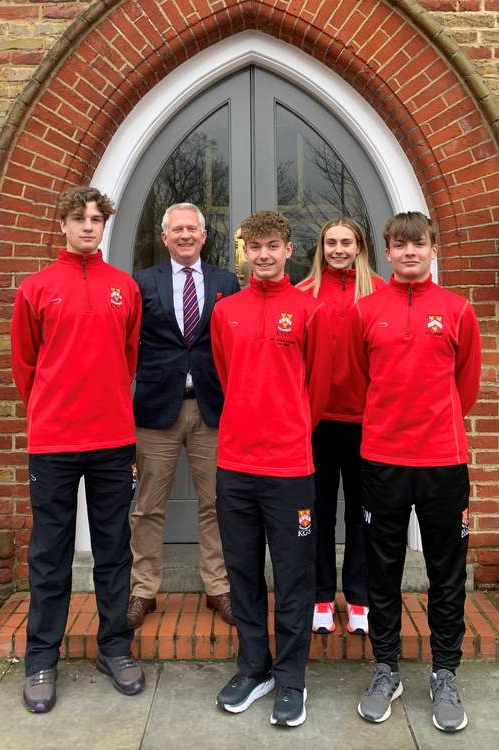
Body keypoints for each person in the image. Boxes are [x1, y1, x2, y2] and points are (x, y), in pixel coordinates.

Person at [11, 186, 144, 713]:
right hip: (54, 443)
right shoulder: (36, 288)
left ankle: (115, 647)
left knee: (114, 552)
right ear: (62, 226)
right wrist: (53, 408)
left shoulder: (124, 288)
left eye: (95, 219)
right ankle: (42, 658)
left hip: (113, 442)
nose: (88, 227)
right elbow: (26, 366)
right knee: (50, 556)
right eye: (78, 218)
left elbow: (128, 358)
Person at [349, 211, 481, 733]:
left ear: (432, 249)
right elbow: (362, 380)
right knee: (382, 571)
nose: (408, 253)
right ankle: (386, 667)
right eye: (399, 245)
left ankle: (444, 672)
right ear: (386, 250)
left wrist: (438, 425)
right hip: (382, 460)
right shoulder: (366, 311)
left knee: (446, 573)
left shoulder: (457, 310)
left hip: (443, 462)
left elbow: (465, 384)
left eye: (418, 244)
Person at [211, 210, 331, 728]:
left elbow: (319, 387)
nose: (263, 255)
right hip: (235, 463)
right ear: (245, 252)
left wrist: (291, 427)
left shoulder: (310, 310)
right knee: (241, 572)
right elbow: (224, 374)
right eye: (253, 246)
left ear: (289, 249)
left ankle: (291, 678)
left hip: (289, 467)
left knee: (293, 576)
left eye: (272, 246)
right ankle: (253, 668)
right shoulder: (225, 312)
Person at [127, 203, 241, 628]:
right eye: (177, 230)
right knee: (148, 505)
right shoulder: (143, 282)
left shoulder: (225, 281)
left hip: (212, 408)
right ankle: (143, 590)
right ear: (165, 237)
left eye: (192, 229)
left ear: (204, 235)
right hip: (157, 410)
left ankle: (218, 587)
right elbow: (132, 344)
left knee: (215, 503)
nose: (185, 235)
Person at [297, 218, 386, 637]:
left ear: (359, 246)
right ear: (321, 247)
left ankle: (358, 599)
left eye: (345, 242)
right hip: (315, 422)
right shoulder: (302, 295)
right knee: (317, 512)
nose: (337, 249)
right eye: (330, 242)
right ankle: (320, 596)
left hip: (366, 422)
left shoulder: (379, 294)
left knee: (361, 515)